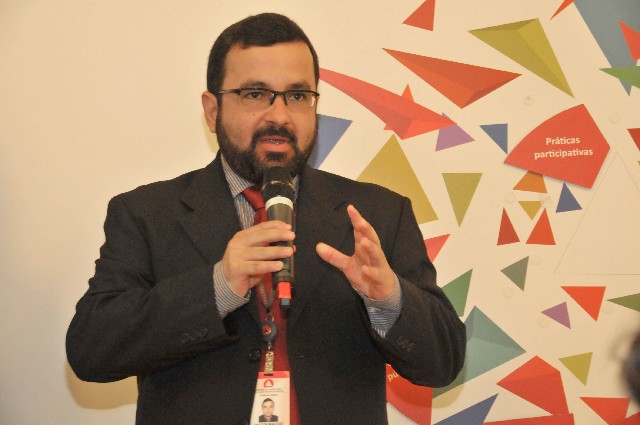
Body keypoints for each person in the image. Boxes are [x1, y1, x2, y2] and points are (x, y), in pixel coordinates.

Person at [66, 12, 465, 425]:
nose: (280, 116)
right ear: (212, 110)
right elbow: (92, 350)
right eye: (255, 94)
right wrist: (218, 286)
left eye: (297, 95)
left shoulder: (376, 214)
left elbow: (443, 362)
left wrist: (388, 299)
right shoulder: (147, 214)